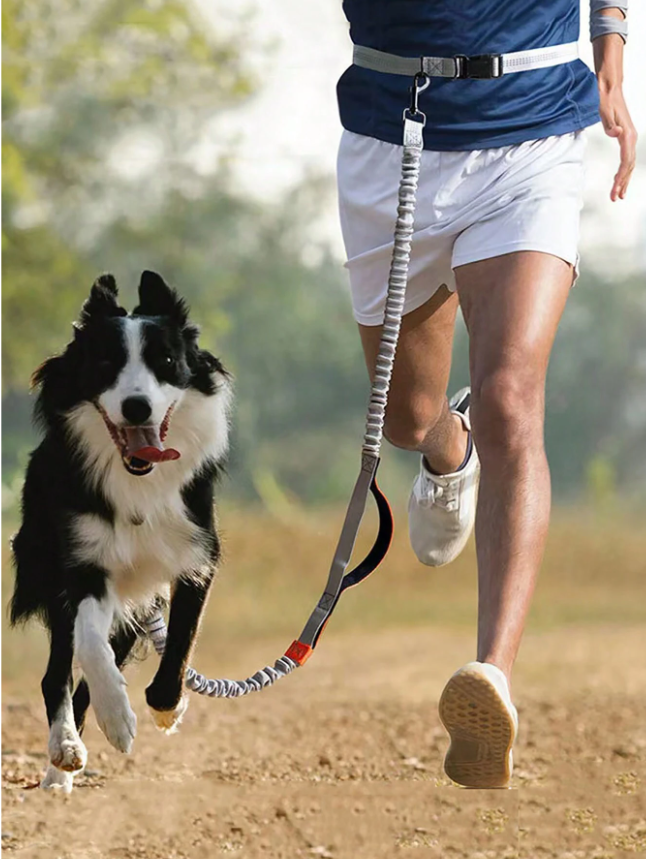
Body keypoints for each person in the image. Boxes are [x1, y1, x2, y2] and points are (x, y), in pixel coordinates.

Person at [336, 0, 636, 788]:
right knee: (405, 416)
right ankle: (448, 446)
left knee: (510, 395)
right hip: (388, 134)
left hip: (531, 134)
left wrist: (611, 41)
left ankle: (490, 675)